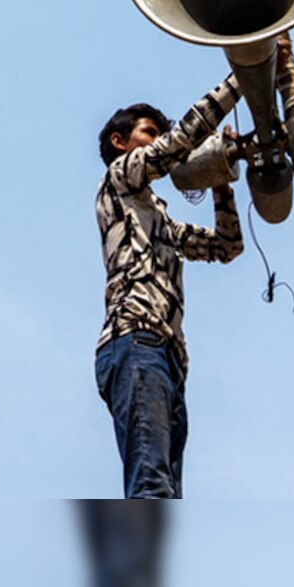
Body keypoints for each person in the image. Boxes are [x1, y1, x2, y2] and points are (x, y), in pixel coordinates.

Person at [94, 75, 244, 498]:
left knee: (164, 488)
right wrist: (242, 80)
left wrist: (221, 181)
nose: (158, 140)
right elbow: (178, 144)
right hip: (137, 342)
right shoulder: (119, 178)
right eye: (149, 133)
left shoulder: (156, 219)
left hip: (164, 357)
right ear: (121, 143)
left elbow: (227, 246)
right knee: (152, 481)